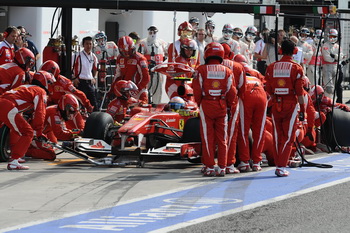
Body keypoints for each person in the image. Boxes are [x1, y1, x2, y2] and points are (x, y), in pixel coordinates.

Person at [192, 42, 237, 177]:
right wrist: (228, 105)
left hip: (206, 104)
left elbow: (197, 90)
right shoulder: (227, 71)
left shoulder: (201, 70)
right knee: (222, 137)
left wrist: (200, 103)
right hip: (222, 105)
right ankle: (222, 166)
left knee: (207, 137)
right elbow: (232, 91)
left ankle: (210, 166)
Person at [265, 39, 306, 177]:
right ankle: (281, 166)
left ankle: (279, 163)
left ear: (281, 50)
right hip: (291, 104)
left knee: (278, 135)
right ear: (294, 51)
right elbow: (300, 93)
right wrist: (303, 110)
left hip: (276, 103)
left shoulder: (271, 67)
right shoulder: (297, 68)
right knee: (288, 137)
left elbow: (269, 89)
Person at [2, 70, 55, 170]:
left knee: (18, 129)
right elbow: (40, 112)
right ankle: (14, 160)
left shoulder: (27, 87)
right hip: (7, 106)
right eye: (50, 83)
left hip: (4, 103)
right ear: (45, 82)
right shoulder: (40, 91)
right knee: (28, 132)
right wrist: (39, 131)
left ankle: (16, 156)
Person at [235, 54, 267, 172]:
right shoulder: (256, 72)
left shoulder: (236, 70)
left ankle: (244, 162)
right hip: (261, 95)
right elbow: (266, 84)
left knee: (243, 131)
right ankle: (257, 162)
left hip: (246, 94)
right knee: (260, 131)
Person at [113, 36, 150, 104]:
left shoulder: (140, 58)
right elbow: (117, 75)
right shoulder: (119, 58)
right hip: (125, 91)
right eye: (124, 53)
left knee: (140, 111)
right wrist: (113, 88)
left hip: (140, 91)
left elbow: (146, 77)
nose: (127, 55)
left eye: (129, 52)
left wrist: (137, 89)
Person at [139, 25, 168, 104]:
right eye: (151, 32)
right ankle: (146, 104)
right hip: (147, 71)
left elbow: (167, 52)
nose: (152, 34)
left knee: (158, 91)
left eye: (154, 32)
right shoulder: (143, 42)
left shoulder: (161, 42)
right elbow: (140, 56)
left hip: (159, 71)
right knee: (148, 89)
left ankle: (156, 106)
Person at [72, 36, 99, 111]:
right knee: (79, 104)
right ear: (83, 45)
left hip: (89, 82)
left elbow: (95, 69)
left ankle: (95, 119)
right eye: (87, 44)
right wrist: (74, 78)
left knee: (94, 104)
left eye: (90, 44)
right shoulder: (77, 55)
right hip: (80, 82)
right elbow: (70, 67)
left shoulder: (93, 56)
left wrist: (95, 78)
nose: (89, 46)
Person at [322, 29, 343, 100]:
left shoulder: (338, 46)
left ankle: (332, 103)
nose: (332, 38)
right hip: (327, 67)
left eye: (334, 36)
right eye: (330, 36)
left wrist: (334, 56)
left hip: (335, 67)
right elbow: (326, 57)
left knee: (334, 87)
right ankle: (327, 102)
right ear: (328, 36)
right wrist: (336, 57)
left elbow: (341, 57)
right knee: (329, 87)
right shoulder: (325, 45)